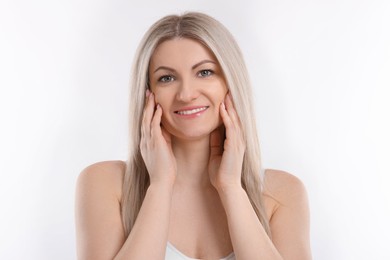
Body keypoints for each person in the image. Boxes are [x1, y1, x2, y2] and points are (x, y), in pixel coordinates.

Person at [75, 12, 311, 260]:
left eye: (205, 72)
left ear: (231, 83)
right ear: (148, 93)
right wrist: (160, 185)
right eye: (166, 78)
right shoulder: (105, 184)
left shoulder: (282, 192)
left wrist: (231, 188)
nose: (186, 94)